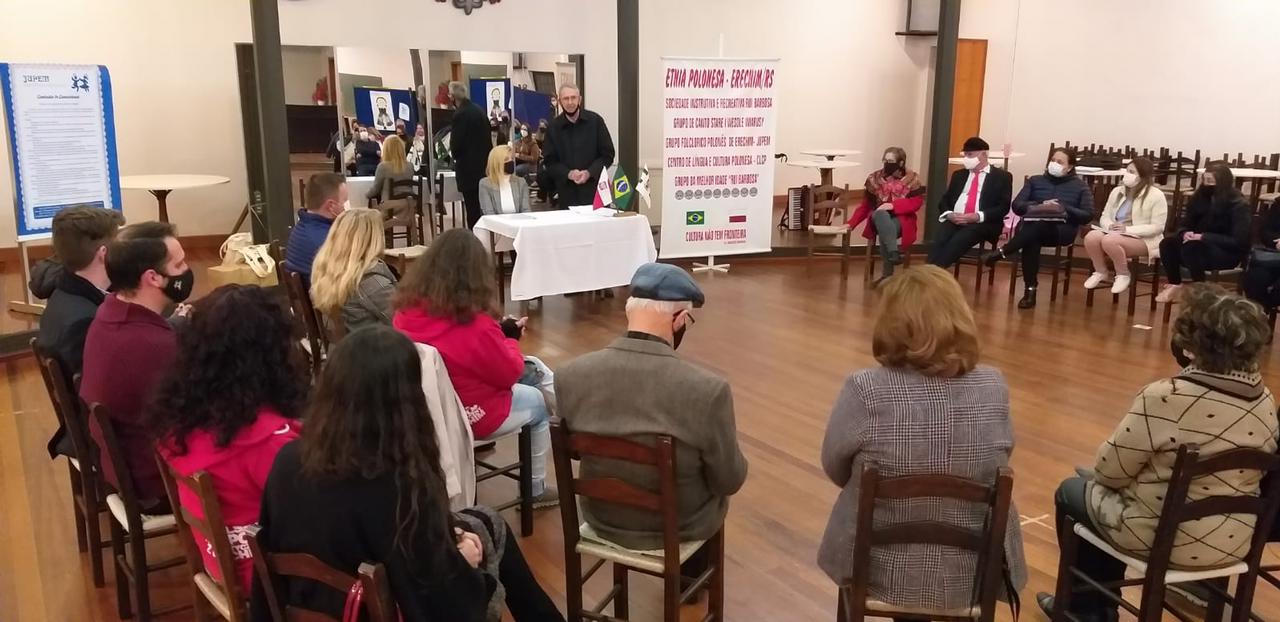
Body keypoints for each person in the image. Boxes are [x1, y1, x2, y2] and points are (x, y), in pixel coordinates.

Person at [251, 326, 565, 622]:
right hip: (378, 608)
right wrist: (463, 562)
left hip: (318, 602)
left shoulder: (287, 461)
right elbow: (443, 604)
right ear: (406, 400)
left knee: (486, 521)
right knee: (489, 532)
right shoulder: (398, 487)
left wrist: (449, 538)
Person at [1037, 283, 1278, 622]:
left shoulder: (1165, 396)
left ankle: (1089, 610)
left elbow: (1109, 472)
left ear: (1191, 345)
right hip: (1235, 540)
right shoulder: (1265, 400)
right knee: (1101, 493)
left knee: (1072, 492)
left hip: (1166, 539)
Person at [818, 265, 1026, 614]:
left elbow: (834, 465)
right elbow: (1000, 458)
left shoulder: (865, 388)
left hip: (877, 566)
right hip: (971, 571)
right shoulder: (993, 385)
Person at [557, 263, 748, 572]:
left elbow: (577, 453)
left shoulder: (570, 375)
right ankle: (690, 578)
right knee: (710, 488)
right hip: (678, 525)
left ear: (629, 311)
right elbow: (729, 480)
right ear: (679, 320)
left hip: (601, 516)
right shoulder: (706, 390)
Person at [151, 285, 306, 596]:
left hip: (220, 563)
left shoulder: (182, 420)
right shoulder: (269, 444)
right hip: (269, 581)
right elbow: (313, 515)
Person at [393, 229, 559, 507]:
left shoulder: (404, 313)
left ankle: (570, 422)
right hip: (470, 414)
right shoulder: (475, 324)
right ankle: (535, 488)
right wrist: (509, 339)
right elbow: (508, 374)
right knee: (539, 401)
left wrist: (498, 335)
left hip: (422, 410)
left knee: (536, 369)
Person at [81, 221, 194, 512]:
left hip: (125, 467)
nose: (186, 270)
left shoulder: (108, 313)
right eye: (179, 264)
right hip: (157, 481)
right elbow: (200, 414)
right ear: (153, 277)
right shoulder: (153, 346)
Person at [38, 206, 125, 458]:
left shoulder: (63, 295)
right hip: (102, 442)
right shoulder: (86, 321)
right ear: (104, 254)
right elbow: (107, 397)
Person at [982, 148, 1094, 309]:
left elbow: (1087, 215)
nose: (1054, 164)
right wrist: (1040, 204)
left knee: (1034, 230)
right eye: (1053, 160)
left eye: (1060, 162)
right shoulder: (1035, 181)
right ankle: (1030, 291)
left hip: (1061, 230)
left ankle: (1003, 253)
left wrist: (1063, 207)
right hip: (1032, 226)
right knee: (1033, 235)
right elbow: (1017, 206)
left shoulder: (1081, 186)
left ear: (1069, 167)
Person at [1156, 164, 1252, 303]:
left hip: (1226, 252)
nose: (1207, 185)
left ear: (1222, 182)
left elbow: (1239, 241)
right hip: (1196, 248)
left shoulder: (1238, 204)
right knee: (1167, 243)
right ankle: (1175, 284)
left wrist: (1203, 237)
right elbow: (1185, 223)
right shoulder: (1199, 198)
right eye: (1205, 180)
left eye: (1211, 181)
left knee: (1192, 248)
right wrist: (1185, 233)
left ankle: (1200, 291)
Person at [1081, 157, 1169, 294]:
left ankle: (1123, 274)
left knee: (1109, 241)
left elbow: (1157, 227)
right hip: (1116, 233)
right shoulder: (1117, 191)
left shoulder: (1156, 195)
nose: (1127, 175)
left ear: (1142, 176)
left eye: (1132, 172)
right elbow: (1105, 215)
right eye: (1127, 171)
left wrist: (1127, 229)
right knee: (1091, 237)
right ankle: (1100, 271)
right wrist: (1109, 225)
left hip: (1144, 239)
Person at [926, 137, 1014, 268]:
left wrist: (977, 216)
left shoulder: (1002, 177)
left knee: (959, 240)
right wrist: (949, 214)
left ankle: (933, 272)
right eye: (965, 155)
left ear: (983, 154)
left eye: (970, 155)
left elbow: (1003, 207)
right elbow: (945, 200)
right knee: (941, 238)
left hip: (983, 223)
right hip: (956, 219)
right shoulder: (959, 175)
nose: (966, 158)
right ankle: (930, 271)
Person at [843, 147, 925, 284]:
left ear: (901, 162)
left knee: (885, 231)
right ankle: (894, 253)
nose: (887, 163)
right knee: (880, 214)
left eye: (891, 161)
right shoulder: (874, 178)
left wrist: (893, 206)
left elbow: (916, 203)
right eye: (885, 160)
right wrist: (851, 223)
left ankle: (887, 276)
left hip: (901, 219)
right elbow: (865, 206)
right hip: (878, 217)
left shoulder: (912, 178)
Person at [310, 208, 397, 332]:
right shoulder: (371, 281)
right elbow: (406, 323)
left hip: (349, 341)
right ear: (374, 240)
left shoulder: (326, 269)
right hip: (377, 342)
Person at [542, 84, 616, 210]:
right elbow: (549, 162)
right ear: (559, 101)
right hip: (567, 195)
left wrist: (589, 172)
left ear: (580, 99)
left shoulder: (596, 121)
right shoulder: (553, 127)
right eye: (566, 98)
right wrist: (568, 174)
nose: (570, 102)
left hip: (596, 193)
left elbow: (608, 155)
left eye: (573, 98)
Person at [284, 172, 348, 280]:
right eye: (345, 201)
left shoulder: (302, 226)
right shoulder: (326, 241)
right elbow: (347, 277)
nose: (347, 206)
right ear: (331, 206)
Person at [448, 81, 494, 228]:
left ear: (452, 96)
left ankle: (475, 239)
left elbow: (456, 146)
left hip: (468, 171)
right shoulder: (479, 110)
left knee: (472, 211)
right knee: (484, 209)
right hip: (484, 168)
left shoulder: (460, 114)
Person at [1242, 200, 1280, 310]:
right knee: (1256, 277)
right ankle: (1258, 313)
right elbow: (1265, 232)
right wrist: (1276, 240)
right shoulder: (1279, 204)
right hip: (1274, 257)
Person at [479, 145, 532, 216]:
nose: (510, 161)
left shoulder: (521, 182)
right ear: (496, 163)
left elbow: (526, 210)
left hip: (519, 221)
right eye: (506, 159)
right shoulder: (485, 184)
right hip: (495, 222)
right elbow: (489, 213)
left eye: (512, 158)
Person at [366, 134, 413, 203]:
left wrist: (366, 195)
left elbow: (375, 189)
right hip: (408, 203)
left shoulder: (383, 167)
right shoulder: (410, 166)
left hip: (390, 204)